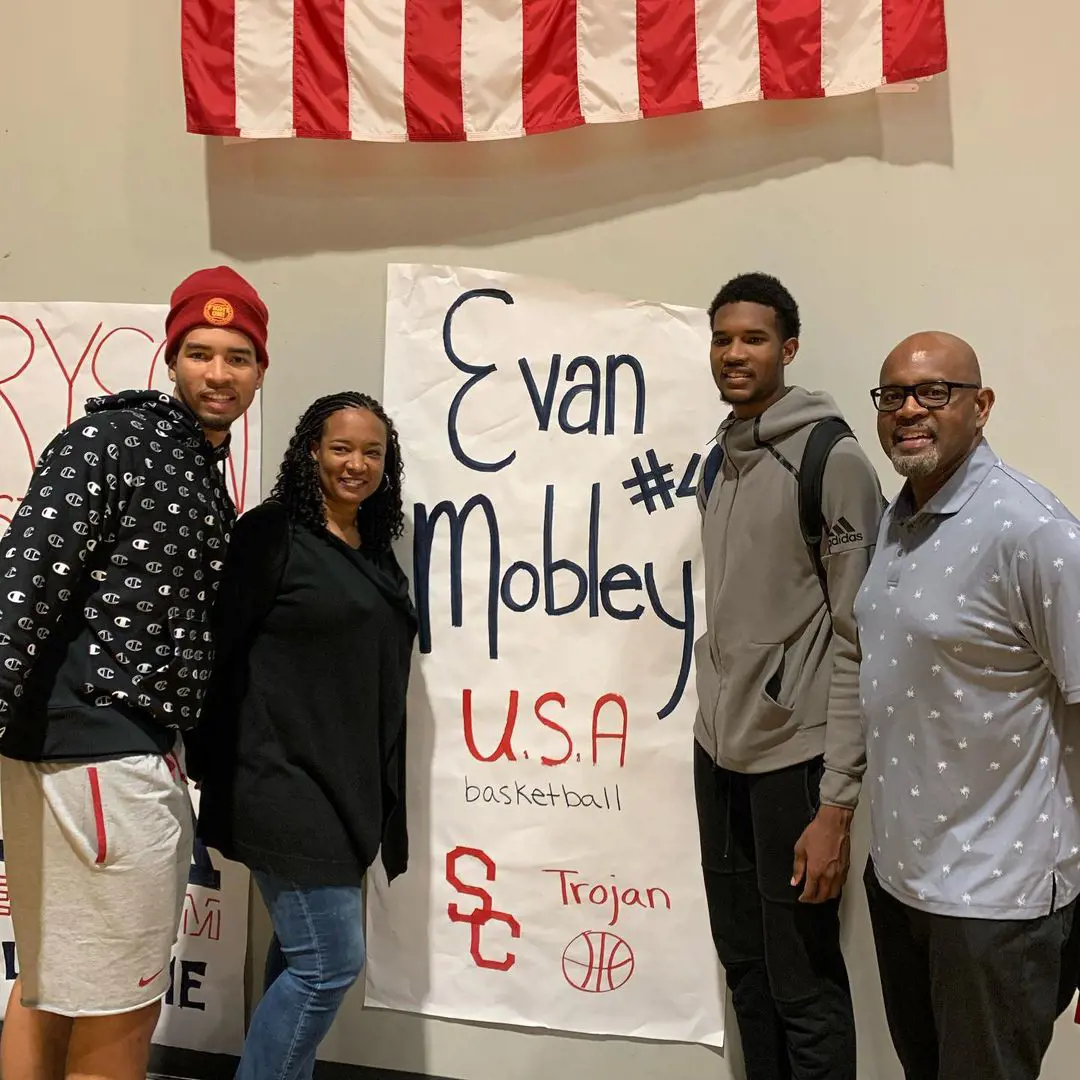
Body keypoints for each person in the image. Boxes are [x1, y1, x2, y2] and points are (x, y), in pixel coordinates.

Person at [0, 266, 268, 1080]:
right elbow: (26, 584)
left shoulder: (193, 464)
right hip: (102, 754)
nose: (218, 373)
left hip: (90, 751)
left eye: (237, 356)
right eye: (199, 352)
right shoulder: (114, 442)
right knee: (121, 998)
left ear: (261, 368)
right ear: (170, 357)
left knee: (50, 984)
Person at [856, 331, 1080, 1080]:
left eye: (934, 392)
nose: (910, 410)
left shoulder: (1035, 531)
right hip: (900, 879)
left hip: (997, 901)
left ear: (980, 407)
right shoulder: (899, 515)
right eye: (893, 395)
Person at [187, 391, 417, 1080]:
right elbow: (219, 651)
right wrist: (216, 762)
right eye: (341, 447)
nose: (356, 464)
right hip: (281, 779)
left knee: (298, 955)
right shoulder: (272, 534)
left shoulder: (374, 552)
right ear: (311, 450)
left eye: (371, 452)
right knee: (328, 964)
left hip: (346, 784)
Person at [693, 272, 883, 1080]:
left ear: (789, 349)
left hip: (795, 764)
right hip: (719, 754)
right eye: (724, 339)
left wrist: (837, 801)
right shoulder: (719, 455)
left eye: (754, 339)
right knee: (746, 972)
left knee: (803, 984)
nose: (736, 354)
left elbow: (857, 637)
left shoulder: (829, 457)